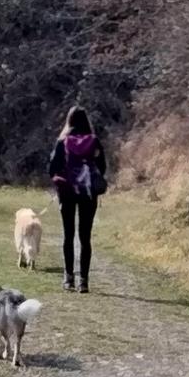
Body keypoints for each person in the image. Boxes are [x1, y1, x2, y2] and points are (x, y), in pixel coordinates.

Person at [48, 109, 107, 293]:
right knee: (85, 237)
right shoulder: (94, 141)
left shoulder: (63, 141)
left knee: (68, 235)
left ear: (69, 121)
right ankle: (84, 281)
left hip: (67, 192)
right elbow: (102, 167)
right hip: (88, 194)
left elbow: (53, 167)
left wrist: (61, 180)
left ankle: (68, 278)